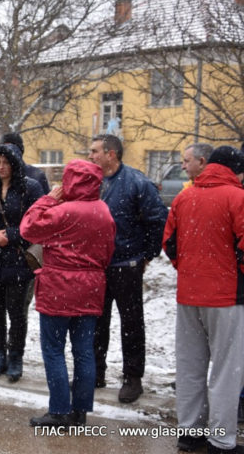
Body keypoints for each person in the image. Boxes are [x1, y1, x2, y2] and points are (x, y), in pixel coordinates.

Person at [20, 160, 115, 427]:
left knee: (54, 349)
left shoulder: (62, 211)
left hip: (58, 287)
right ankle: (80, 410)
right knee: (84, 350)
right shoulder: (104, 211)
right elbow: (108, 252)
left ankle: (59, 410)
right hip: (91, 286)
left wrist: (47, 200)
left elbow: (28, 227)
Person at [163, 146, 244, 454]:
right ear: (236, 171)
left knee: (190, 365)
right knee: (227, 369)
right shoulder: (237, 198)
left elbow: (169, 244)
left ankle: (190, 431)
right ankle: (221, 440)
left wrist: (189, 270)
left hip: (189, 295)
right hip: (227, 297)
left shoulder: (185, 197)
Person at [88, 134, 167, 403]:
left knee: (131, 324)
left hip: (126, 264)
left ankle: (133, 378)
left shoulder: (136, 182)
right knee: (96, 320)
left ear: (111, 154)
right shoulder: (92, 182)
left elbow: (158, 221)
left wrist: (146, 255)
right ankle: (95, 372)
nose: (91, 156)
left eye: (95, 151)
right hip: (96, 266)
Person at [0, 144, 43, 383]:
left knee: (16, 311)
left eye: (6, 162)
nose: (2, 167)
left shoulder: (30, 188)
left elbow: (37, 223)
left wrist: (11, 236)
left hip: (18, 258)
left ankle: (16, 357)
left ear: (15, 164)